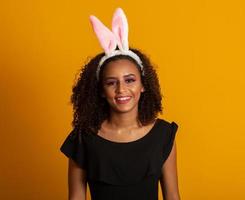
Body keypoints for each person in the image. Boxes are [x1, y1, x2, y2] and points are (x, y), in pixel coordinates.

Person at [60, 7, 180, 200]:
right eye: (111, 82)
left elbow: (173, 196)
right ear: (100, 90)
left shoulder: (163, 135)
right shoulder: (83, 137)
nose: (121, 89)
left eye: (130, 80)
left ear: (143, 85)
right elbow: (76, 197)